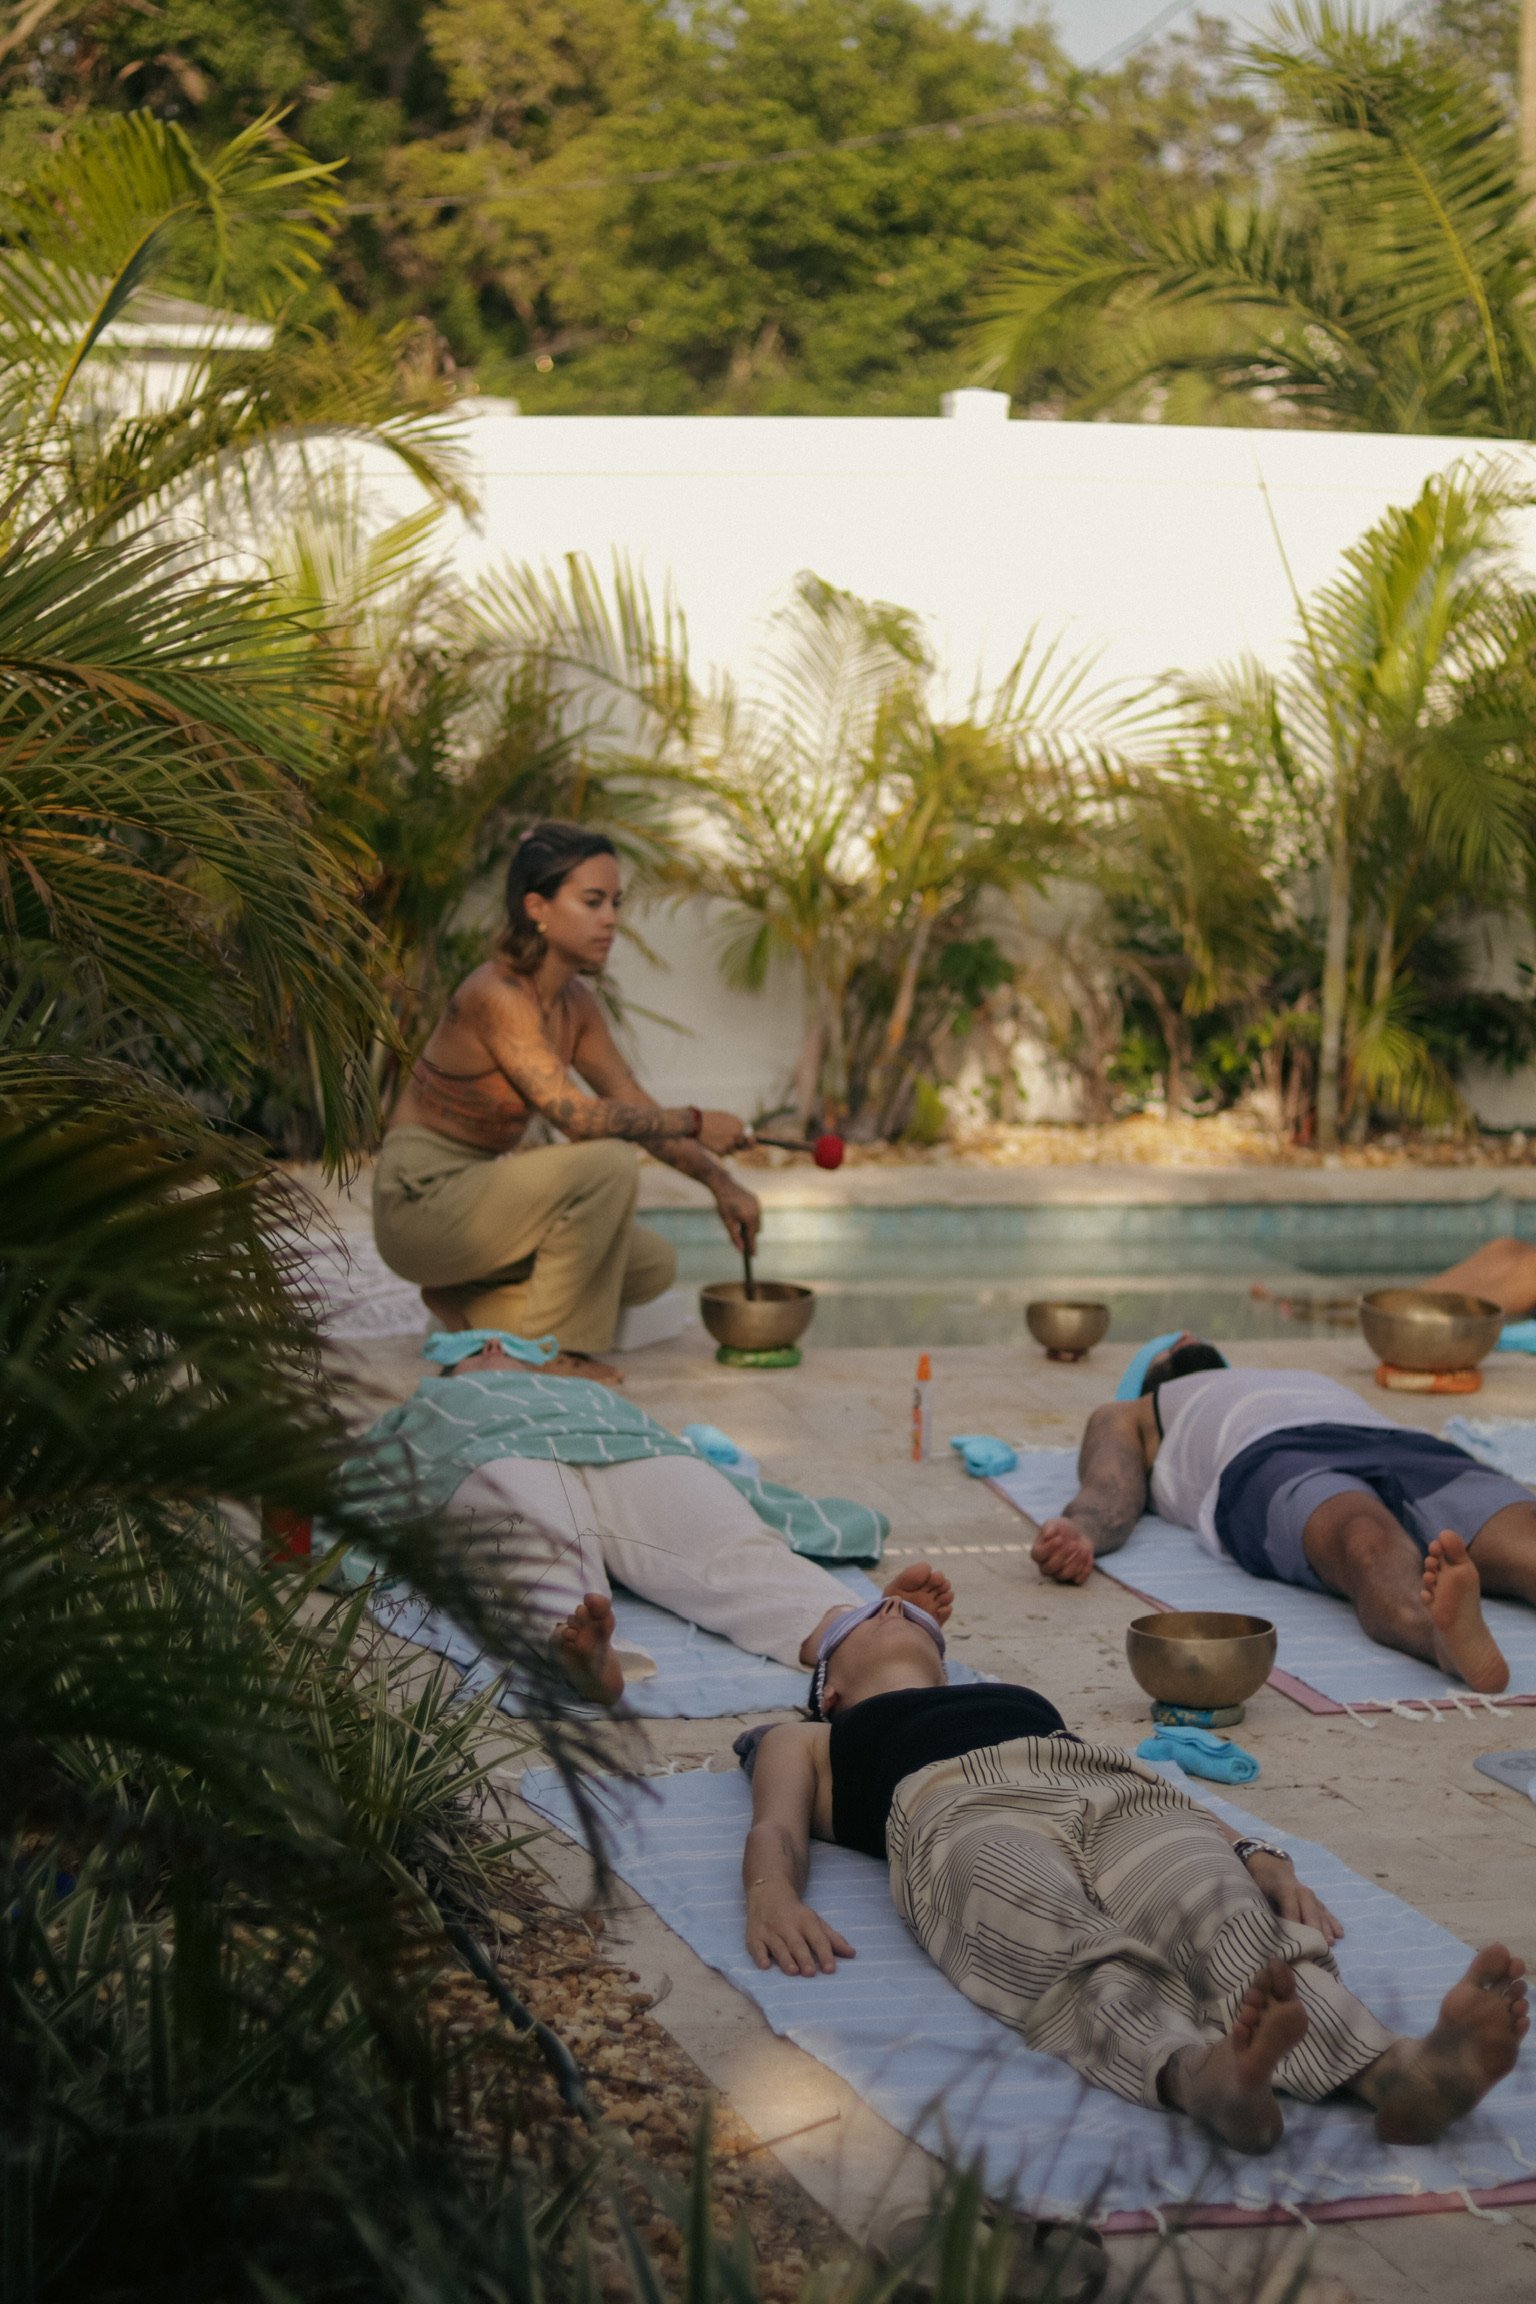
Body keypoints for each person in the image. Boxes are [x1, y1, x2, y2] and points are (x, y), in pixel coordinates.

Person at [740, 1596, 1528, 2153]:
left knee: (1215, 1904)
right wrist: (771, 1893)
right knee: (1061, 1941)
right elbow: (774, 1827)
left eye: (908, 1615)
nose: (886, 1609)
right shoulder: (804, 1737)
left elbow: (1144, 1782)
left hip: (1104, 1787)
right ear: (830, 1691)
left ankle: (1398, 2073)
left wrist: (1252, 1852)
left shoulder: (1006, 1695)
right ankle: (1203, 2076)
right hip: (958, 1812)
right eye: (855, 1619)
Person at [345, 1336, 951, 1704]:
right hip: (496, 1452)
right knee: (543, 1552)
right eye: (474, 1348)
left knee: (731, 1547)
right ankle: (583, 1657)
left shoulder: (590, 1393)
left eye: (508, 1343)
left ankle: (851, 1631)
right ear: (449, 1369)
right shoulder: (430, 1401)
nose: (495, 1349)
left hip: (629, 1450)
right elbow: (367, 1476)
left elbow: (716, 1475)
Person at [373, 820, 762, 1381]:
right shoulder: (496, 994)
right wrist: (698, 1121)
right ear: (538, 906)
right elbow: (576, 1117)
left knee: (650, 1264)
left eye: (615, 903)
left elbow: (629, 1100)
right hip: (420, 1203)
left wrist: (722, 1184)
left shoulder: (575, 1004)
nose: (611, 919)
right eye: (593, 901)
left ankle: (467, 1303)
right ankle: (549, 1352)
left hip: (477, 1206)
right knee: (605, 1161)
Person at [1030, 1338, 1536, 1691]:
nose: (1188, 1336)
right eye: (1169, 1344)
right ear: (1147, 1377)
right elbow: (1109, 1488)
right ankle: (1442, 1638)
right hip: (1266, 1456)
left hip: (1401, 1444)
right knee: (1364, 1537)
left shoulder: (1293, 1378)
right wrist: (1080, 1531)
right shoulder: (1137, 1411)